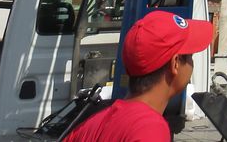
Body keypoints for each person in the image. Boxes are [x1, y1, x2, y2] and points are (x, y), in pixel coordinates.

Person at [65, 9, 214, 142]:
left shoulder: (92, 125)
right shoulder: (151, 130)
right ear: (175, 63)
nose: (192, 64)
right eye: (190, 56)